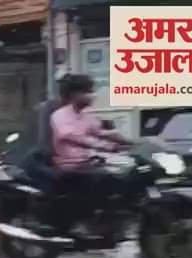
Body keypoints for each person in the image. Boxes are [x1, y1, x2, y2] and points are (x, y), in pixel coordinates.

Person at [49, 74, 131, 234]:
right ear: (74, 94)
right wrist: (107, 146)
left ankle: (110, 218)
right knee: (103, 178)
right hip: (69, 164)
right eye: (87, 91)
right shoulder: (60, 115)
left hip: (86, 162)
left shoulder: (86, 114)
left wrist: (128, 141)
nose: (91, 95)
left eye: (91, 91)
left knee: (122, 175)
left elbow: (101, 131)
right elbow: (72, 136)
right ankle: (83, 221)